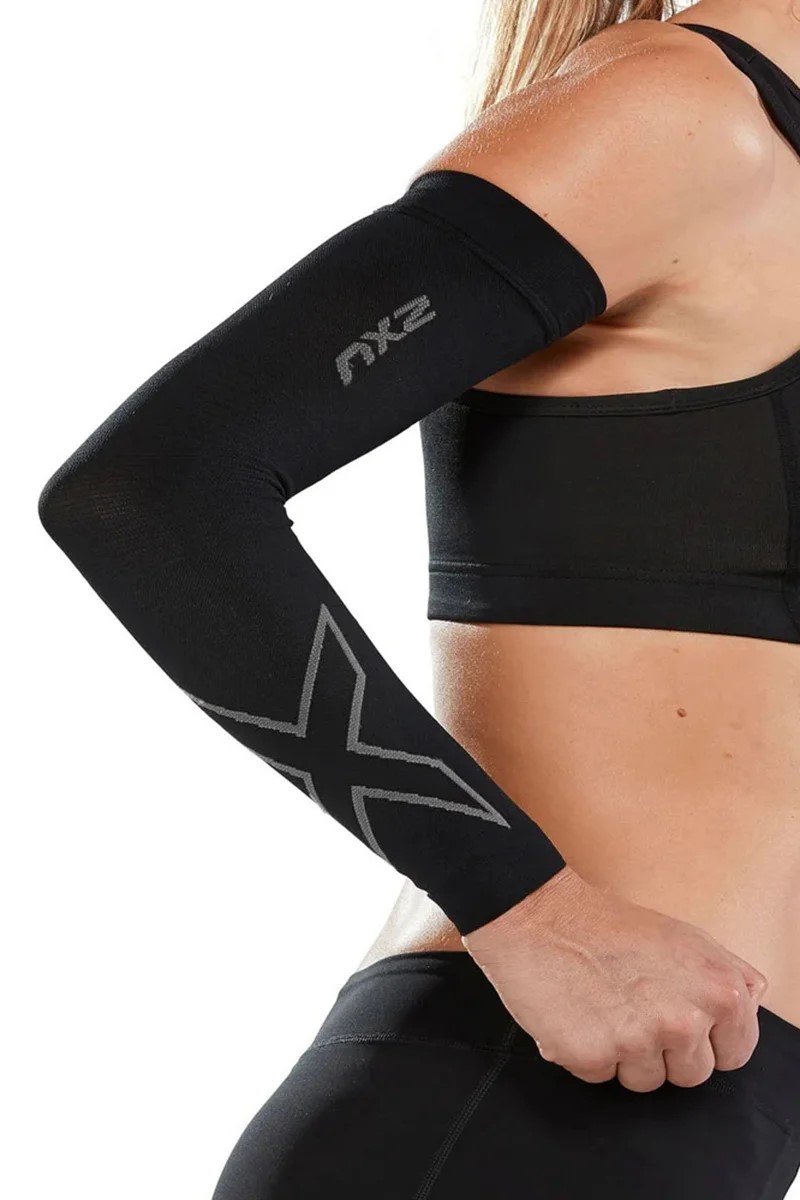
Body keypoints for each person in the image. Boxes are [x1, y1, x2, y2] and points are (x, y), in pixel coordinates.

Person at [37, 0, 800, 1194]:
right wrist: (526, 908)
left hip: (712, 1103)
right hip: (518, 1100)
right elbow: (153, 492)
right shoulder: (678, 116)